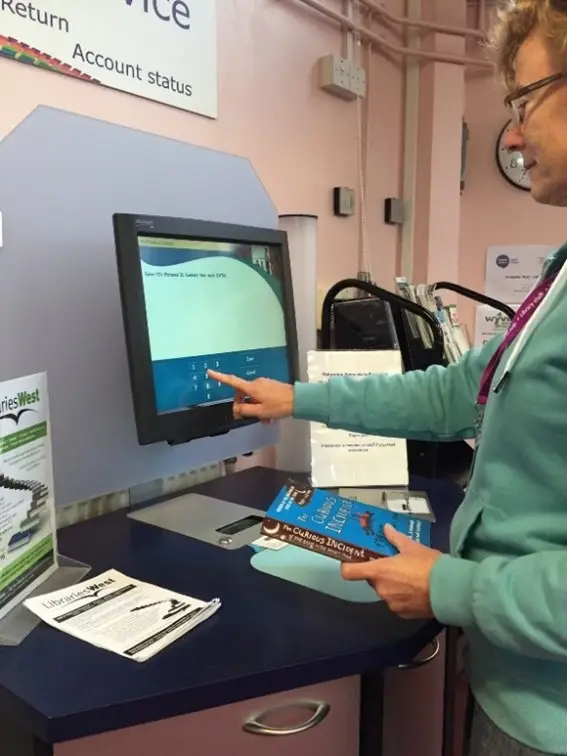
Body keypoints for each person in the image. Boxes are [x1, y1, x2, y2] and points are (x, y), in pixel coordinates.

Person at [210, 2, 567, 754]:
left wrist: (451, 588)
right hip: (517, 680)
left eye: (523, 101)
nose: (511, 133)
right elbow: (455, 391)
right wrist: (298, 397)